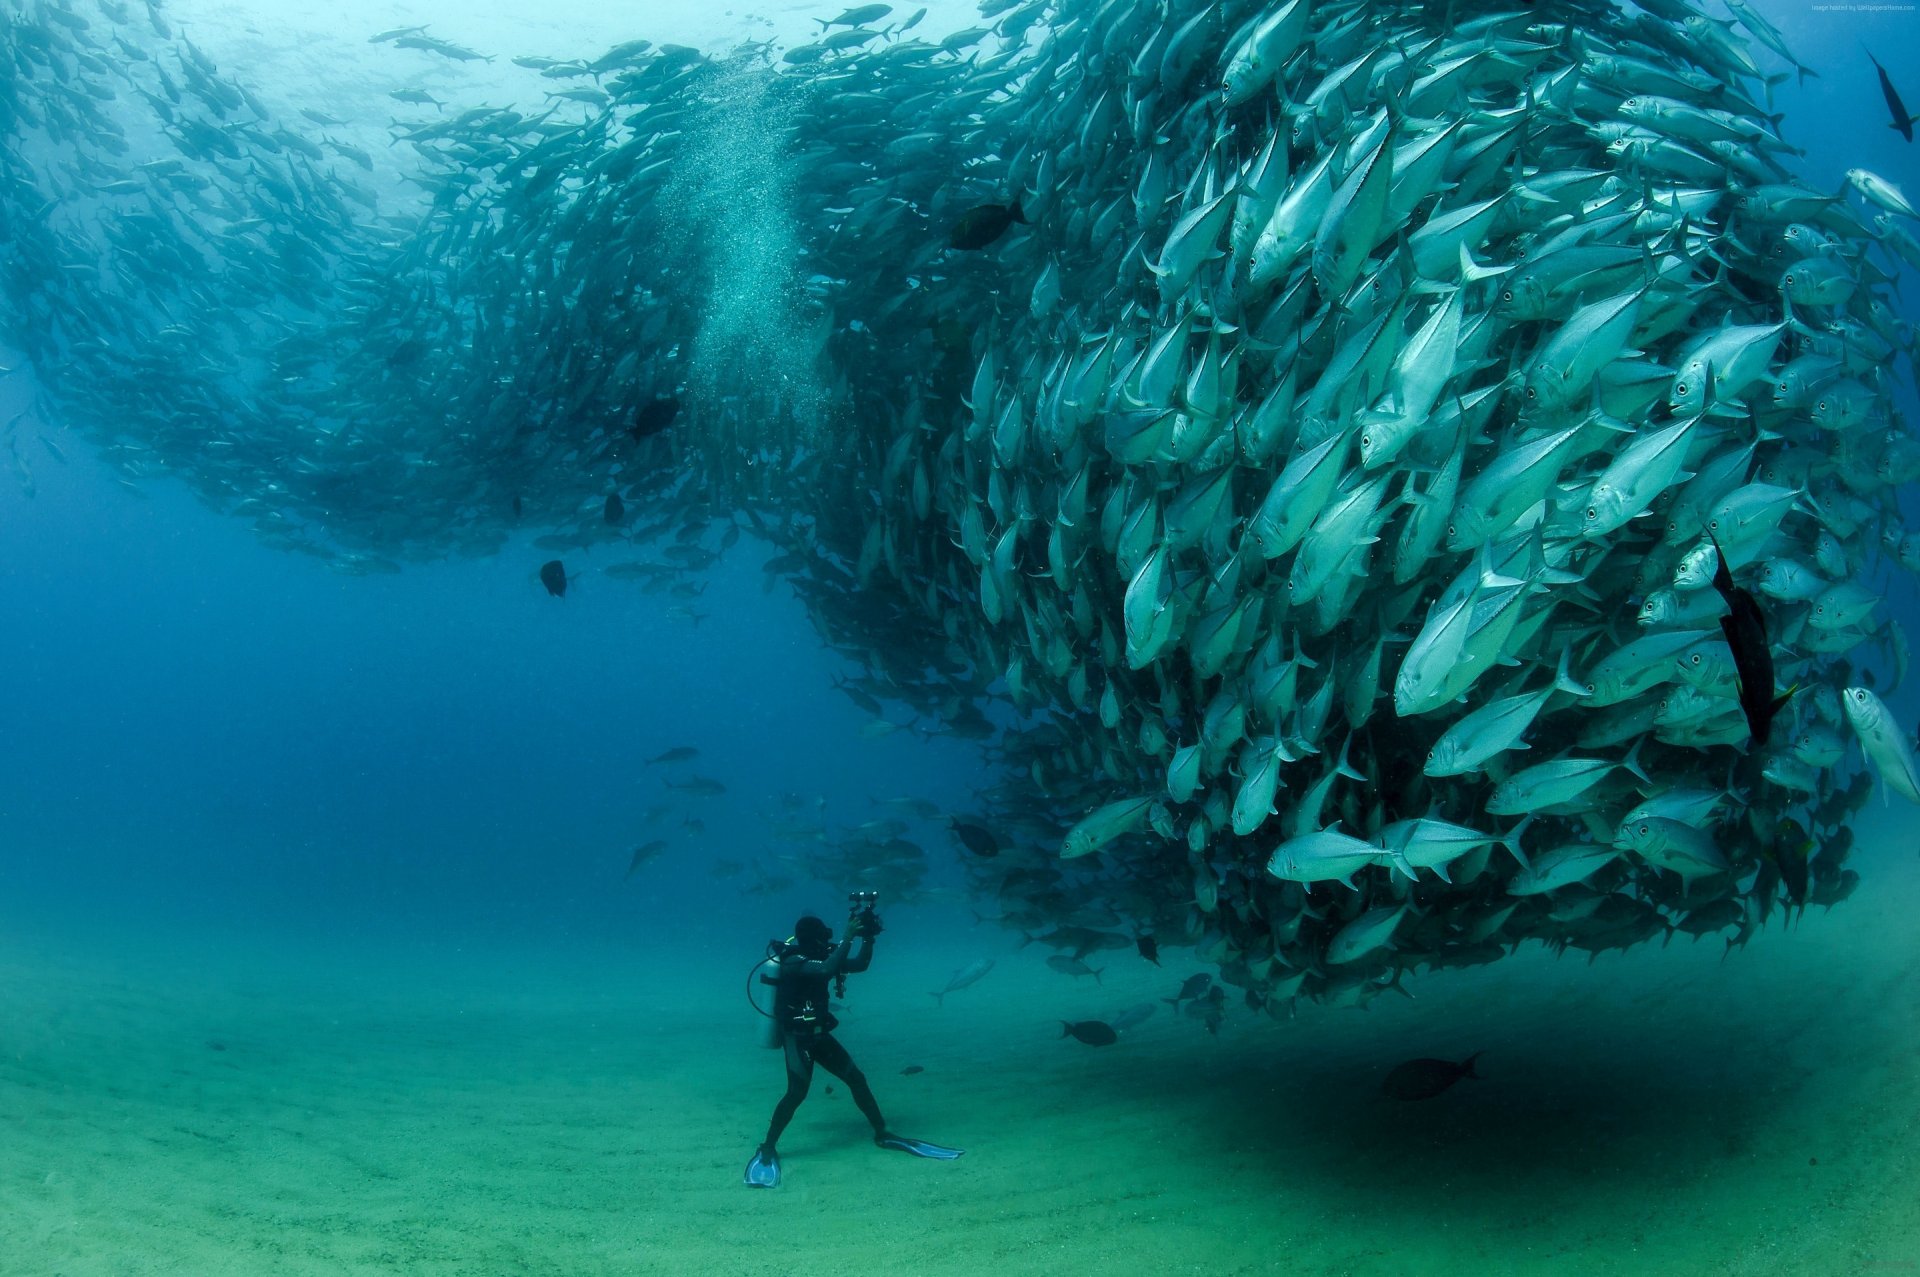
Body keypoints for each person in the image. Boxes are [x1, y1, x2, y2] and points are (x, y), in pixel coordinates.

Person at [744, 900, 961, 1187]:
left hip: (819, 1035)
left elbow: (859, 964)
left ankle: (882, 1132)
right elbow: (823, 971)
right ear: (813, 937)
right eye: (824, 935)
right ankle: (768, 1146)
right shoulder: (794, 961)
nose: (827, 939)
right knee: (796, 1093)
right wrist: (847, 937)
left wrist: (868, 938)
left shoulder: (822, 955)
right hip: (798, 1038)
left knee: (857, 1079)